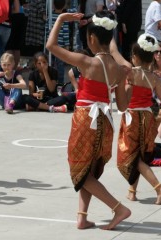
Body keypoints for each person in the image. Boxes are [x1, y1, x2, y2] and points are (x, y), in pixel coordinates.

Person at [46, 10, 131, 230]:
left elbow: (51, 47)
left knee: (79, 169)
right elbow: (122, 105)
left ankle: (118, 207)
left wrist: (61, 19)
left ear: (92, 38)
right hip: (105, 121)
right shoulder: (119, 70)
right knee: (88, 171)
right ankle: (82, 217)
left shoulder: (87, 62)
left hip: (87, 120)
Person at [116, 33, 161, 205]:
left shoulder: (131, 74)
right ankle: (132, 191)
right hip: (148, 117)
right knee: (138, 155)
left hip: (132, 117)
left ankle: (158, 187)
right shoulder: (154, 78)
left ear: (135, 58)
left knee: (131, 157)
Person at [45, 0, 70, 85]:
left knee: (49, 63)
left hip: (51, 44)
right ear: (64, 7)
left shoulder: (50, 17)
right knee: (60, 65)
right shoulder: (64, 18)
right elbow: (66, 33)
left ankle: (50, 79)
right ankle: (60, 82)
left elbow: (47, 31)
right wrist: (67, 45)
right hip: (60, 45)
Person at [6, 0, 27, 68]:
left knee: (10, 46)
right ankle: (13, 70)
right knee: (15, 47)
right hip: (19, 18)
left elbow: (17, 9)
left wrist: (6, 12)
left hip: (15, 19)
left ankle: (10, 69)